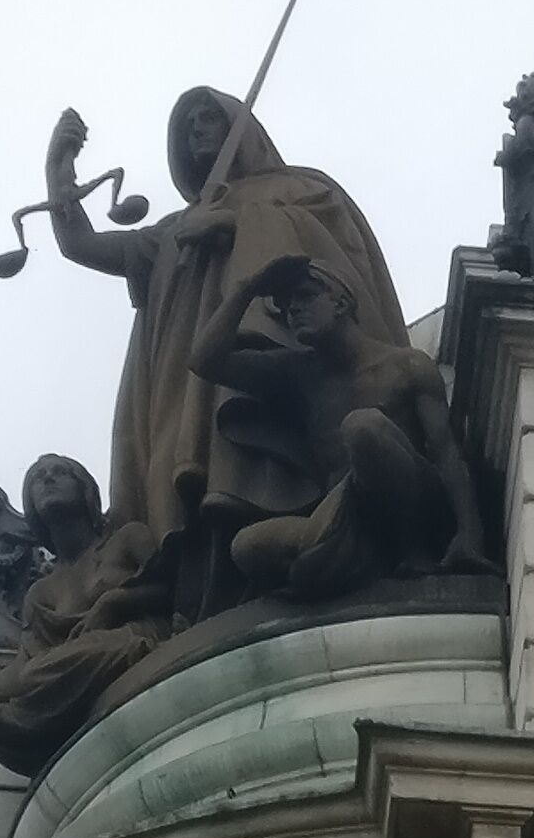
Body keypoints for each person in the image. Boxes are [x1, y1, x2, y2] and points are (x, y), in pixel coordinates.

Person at [37, 87, 411, 610]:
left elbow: (339, 256)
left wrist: (238, 224)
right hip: (192, 383)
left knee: (261, 458)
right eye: (186, 124)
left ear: (242, 126)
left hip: (276, 366)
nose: (195, 129)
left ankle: (305, 550)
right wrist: (59, 173)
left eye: (208, 116)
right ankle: (208, 597)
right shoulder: (173, 229)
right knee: (199, 482)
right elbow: (83, 245)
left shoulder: (303, 187)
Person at [185, 251, 488, 605]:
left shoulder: (407, 365)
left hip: (417, 509)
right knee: (247, 546)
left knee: (364, 427)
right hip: (347, 517)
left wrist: (470, 533)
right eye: (285, 305)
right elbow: (205, 361)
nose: (292, 310)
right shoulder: (300, 374)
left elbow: (445, 451)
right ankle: (361, 564)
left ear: (341, 302)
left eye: (305, 297)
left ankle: (412, 554)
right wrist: (246, 288)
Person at [0, 457, 169, 776]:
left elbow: (174, 585)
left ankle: (41, 717)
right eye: (37, 479)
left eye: (60, 473)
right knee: (25, 689)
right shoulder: (41, 592)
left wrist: (113, 602)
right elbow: (28, 661)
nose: (47, 480)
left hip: (138, 640)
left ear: (85, 489)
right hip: (73, 662)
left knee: (50, 671)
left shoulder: (128, 538)